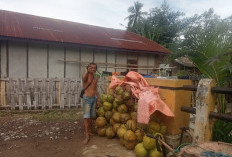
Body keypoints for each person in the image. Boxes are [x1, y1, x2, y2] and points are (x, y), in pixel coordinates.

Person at [82, 62, 98, 144]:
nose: (93, 69)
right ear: (88, 68)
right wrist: (87, 72)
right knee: (86, 117)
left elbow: (95, 90)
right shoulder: (85, 76)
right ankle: (86, 135)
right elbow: (84, 80)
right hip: (87, 99)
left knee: (91, 116)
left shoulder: (95, 78)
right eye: (91, 67)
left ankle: (89, 131)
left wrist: (97, 99)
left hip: (93, 99)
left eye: (94, 67)